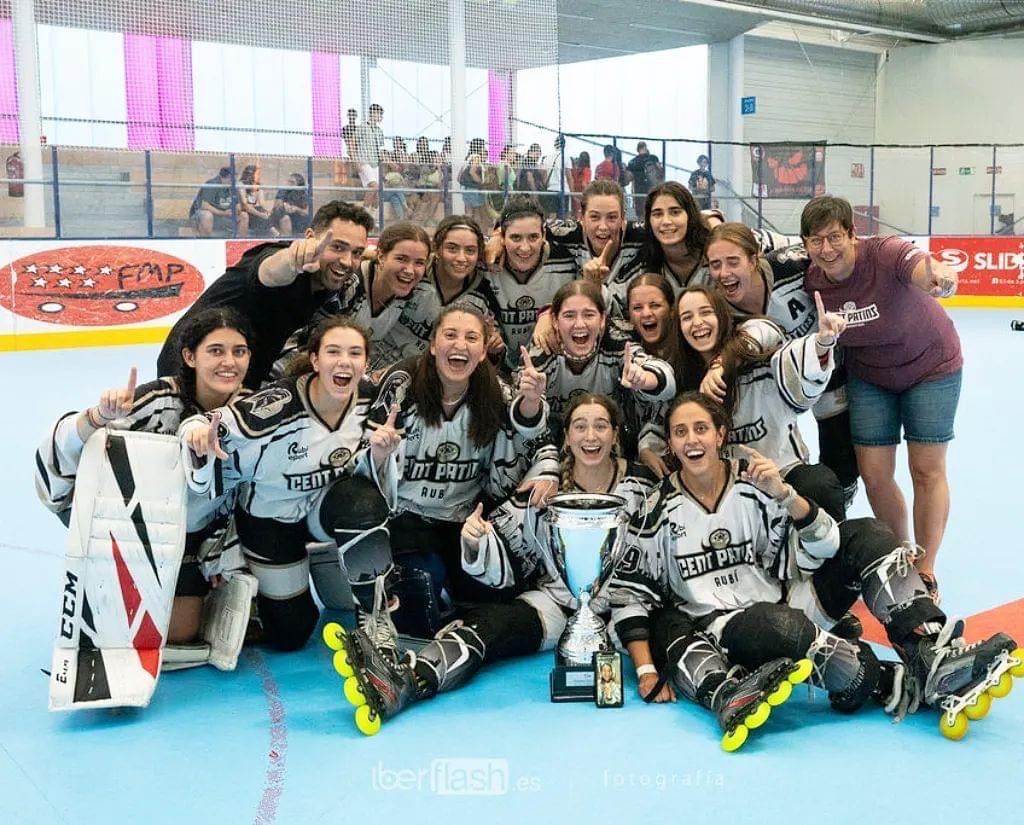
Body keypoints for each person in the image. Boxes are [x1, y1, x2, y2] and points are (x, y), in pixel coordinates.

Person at [611, 392, 1022, 746]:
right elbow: (628, 595)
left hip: (791, 600)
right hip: (732, 633)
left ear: (720, 435)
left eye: (701, 428)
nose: (691, 440)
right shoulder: (654, 512)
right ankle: (882, 680)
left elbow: (824, 548)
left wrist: (787, 496)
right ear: (671, 443)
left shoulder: (755, 486)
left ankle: (929, 655)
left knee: (867, 533)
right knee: (775, 623)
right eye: (680, 432)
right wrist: (645, 669)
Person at [326, 392, 658, 735]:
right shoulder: (544, 487)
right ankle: (408, 680)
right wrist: (476, 541)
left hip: (625, 607)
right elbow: (503, 552)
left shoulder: (643, 486)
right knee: (489, 627)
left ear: (615, 434)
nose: (591, 436)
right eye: (580, 426)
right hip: (555, 603)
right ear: (567, 436)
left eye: (601, 426)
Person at [37, 307, 253, 647]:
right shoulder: (157, 400)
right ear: (190, 357)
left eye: (239, 351)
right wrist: (97, 416)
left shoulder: (251, 412)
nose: (229, 362)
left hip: (195, 534)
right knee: (122, 625)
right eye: (216, 351)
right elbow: (80, 449)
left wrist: (226, 554)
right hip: (131, 526)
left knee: (180, 633)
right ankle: (105, 575)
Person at [181, 318, 379, 652]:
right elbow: (208, 423)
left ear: (366, 363)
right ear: (315, 360)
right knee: (291, 634)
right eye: (333, 352)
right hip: (269, 522)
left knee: (363, 504)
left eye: (354, 353)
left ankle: (373, 612)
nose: (344, 362)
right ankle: (279, 575)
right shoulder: (277, 405)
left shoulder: (373, 401)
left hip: (321, 511)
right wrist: (196, 432)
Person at [801, 196, 961, 602]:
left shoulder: (884, 253)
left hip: (932, 366)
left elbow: (921, 265)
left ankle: (926, 569)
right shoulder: (811, 281)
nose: (826, 249)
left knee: (925, 469)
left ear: (853, 235)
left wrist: (939, 277)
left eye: (834, 237)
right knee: (873, 474)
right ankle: (901, 556)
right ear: (805, 244)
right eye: (816, 240)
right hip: (870, 377)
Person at [640, 285, 848, 523]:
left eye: (706, 312)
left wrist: (821, 344)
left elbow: (781, 344)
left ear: (722, 316)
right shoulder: (683, 380)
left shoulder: (762, 362)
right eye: (687, 317)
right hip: (722, 488)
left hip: (781, 473)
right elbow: (660, 422)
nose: (697, 322)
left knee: (820, 485)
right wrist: (648, 447)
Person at [706, 222, 859, 506]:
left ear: (754, 259)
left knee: (842, 462)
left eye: (733, 262)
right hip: (778, 387)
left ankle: (837, 510)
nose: (724, 273)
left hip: (826, 370)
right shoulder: (718, 309)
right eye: (716, 265)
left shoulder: (792, 266)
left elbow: (837, 252)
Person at [157, 200, 373, 389]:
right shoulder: (277, 258)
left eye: (356, 252)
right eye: (337, 247)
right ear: (309, 237)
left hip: (242, 372)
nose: (347, 261)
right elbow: (270, 271)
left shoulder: (327, 278)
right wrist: (292, 260)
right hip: (191, 366)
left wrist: (375, 254)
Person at [518, 280, 676, 453]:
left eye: (589, 315)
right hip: (552, 449)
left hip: (613, 446)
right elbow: (527, 430)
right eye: (569, 316)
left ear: (602, 319)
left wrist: (644, 379)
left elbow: (667, 383)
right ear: (555, 321)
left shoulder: (616, 340)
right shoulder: (540, 353)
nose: (580, 324)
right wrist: (531, 400)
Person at [288, 222, 431, 372]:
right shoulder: (346, 285)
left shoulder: (415, 292)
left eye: (419, 262)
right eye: (401, 259)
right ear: (381, 256)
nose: (410, 270)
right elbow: (308, 348)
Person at [477, 195, 577, 373]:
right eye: (515, 238)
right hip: (496, 369)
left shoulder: (567, 260)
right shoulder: (483, 262)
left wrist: (550, 312)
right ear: (501, 237)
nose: (525, 247)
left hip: (550, 370)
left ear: (544, 235)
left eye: (533, 237)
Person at [384, 215, 493, 362]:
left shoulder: (486, 288)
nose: (461, 258)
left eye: (470, 250)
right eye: (452, 248)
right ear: (436, 248)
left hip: (437, 369)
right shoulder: (413, 271)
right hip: (383, 359)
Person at [545, 178, 648, 320]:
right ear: (581, 217)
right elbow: (532, 230)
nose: (603, 226)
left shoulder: (642, 238)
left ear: (623, 218)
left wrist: (594, 287)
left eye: (612, 217)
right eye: (594, 217)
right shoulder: (566, 234)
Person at [189, 166, 234, 237]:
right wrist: (222, 213)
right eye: (234, 177)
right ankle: (206, 241)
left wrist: (236, 209)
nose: (235, 180)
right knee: (207, 215)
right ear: (229, 177)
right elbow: (204, 205)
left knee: (243, 216)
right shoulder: (212, 184)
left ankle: (240, 241)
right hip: (201, 214)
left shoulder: (232, 186)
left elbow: (237, 204)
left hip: (222, 215)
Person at [459, 137, 490, 229]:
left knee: (469, 212)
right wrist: (481, 182)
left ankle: (466, 229)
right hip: (474, 189)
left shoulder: (468, 158)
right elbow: (472, 172)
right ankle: (475, 230)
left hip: (466, 189)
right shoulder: (476, 158)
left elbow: (459, 175)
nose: (484, 148)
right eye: (483, 146)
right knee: (476, 213)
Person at [236, 164, 274, 238]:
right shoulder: (241, 184)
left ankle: (272, 233)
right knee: (260, 215)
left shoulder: (257, 185)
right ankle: (274, 233)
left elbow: (262, 203)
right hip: (244, 211)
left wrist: (267, 211)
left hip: (254, 211)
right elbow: (245, 205)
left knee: (264, 213)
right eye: (256, 174)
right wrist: (260, 214)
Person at [626, 141, 663, 215]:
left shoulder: (633, 162)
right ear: (645, 148)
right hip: (652, 188)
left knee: (640, 212)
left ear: (637, 149)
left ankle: (641, 221)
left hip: (639, 189)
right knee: (652, 210)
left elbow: (628, 178)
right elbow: (660, 171)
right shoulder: (653, 158)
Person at [270, 172, 311, 237]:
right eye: (289, 181)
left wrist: (296, 209)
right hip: (283, 214)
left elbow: (307, 212)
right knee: (284, 217)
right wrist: (284, 205)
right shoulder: (283, 191)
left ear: (298, 185)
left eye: (292, 182)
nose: (289, 184)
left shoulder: (303, 194)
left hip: (297, 218)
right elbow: (277, 204)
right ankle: (284, 237)